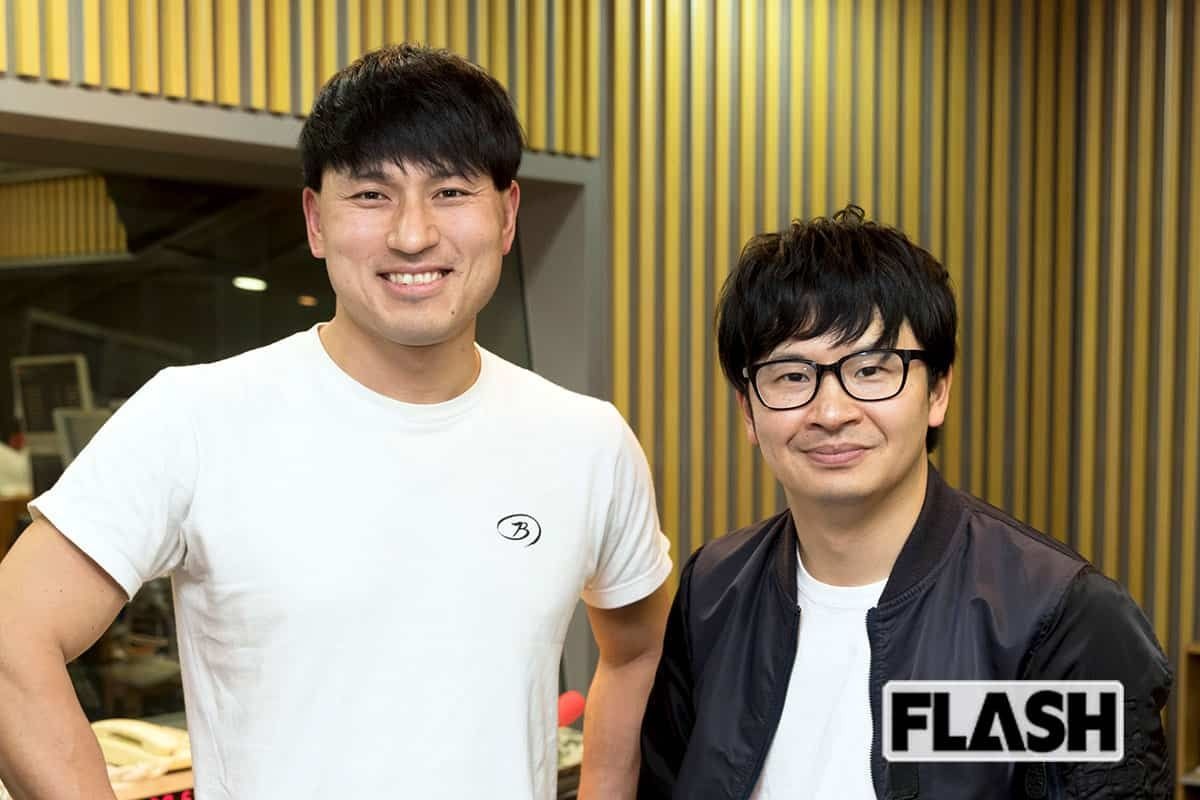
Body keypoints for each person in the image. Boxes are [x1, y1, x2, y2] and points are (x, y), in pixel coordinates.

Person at [0, 45, 671, 800]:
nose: (413, 235)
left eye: (450, 191)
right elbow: (11, 639)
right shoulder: (196, 416)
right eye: (372, 195)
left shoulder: (587, 440)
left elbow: (637, 651)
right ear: (316, 221)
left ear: (507, 214)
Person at [638, 206, 1171, 798]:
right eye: (791, 376)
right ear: (748, 411)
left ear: (937, 390)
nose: (831, 412)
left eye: (871, 369)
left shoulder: (1056, 617)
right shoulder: (713, 592)